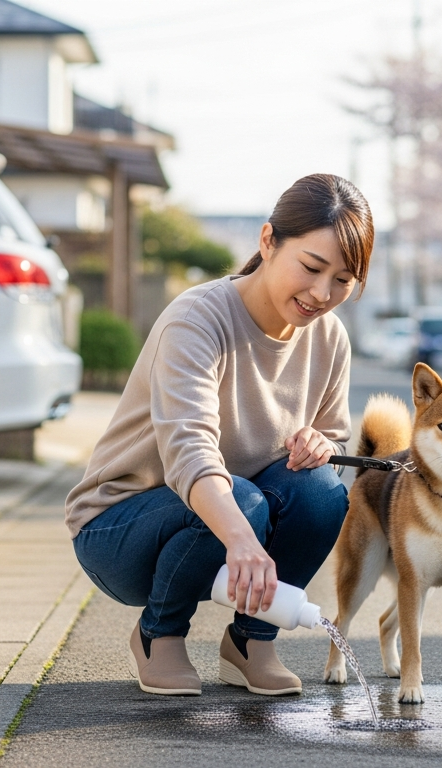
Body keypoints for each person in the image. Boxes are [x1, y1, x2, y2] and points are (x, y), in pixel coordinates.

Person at [65, 174, 373, 697]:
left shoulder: (329, 337)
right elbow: (188, 453)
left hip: (232, 515)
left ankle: (251, 642)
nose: (323, 294)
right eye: (312, 268)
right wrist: (242, 539)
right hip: (120, 528)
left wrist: (324, 444)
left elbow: (332, 433)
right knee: (245, 500)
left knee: (321, 491)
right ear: (268, 241)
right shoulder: (198, 319)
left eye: (343, 280)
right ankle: (157, 635)